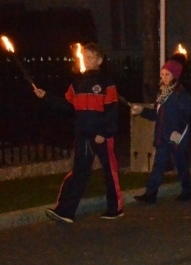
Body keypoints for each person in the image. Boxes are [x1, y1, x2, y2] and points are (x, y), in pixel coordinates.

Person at [33, 42, 124, 223]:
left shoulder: (107, 82)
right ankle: (65, 211)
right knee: (79, 171)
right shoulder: (77, 82)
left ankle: (115, 208)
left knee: (109, 171)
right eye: (84, 57)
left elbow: (113, 110)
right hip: (82, 134)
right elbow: (67, 105)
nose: (86, 60)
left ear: (99, 60)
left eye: (90, 57)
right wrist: (46, 97)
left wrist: (105, 133)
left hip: (101, 136)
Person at [130, 60, 191, 203]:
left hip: (176, 137)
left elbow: (185, 115)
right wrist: (141, 111)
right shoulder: (162, 92)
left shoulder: (181, 94)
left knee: (181, 163)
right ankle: (151, 195)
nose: (163, 77)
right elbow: (157, 114)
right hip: (163, 136)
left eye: (167, 74)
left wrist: (177, 132)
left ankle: (187, 190)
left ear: (175, 76)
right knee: (158, 165)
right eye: (162, 74)